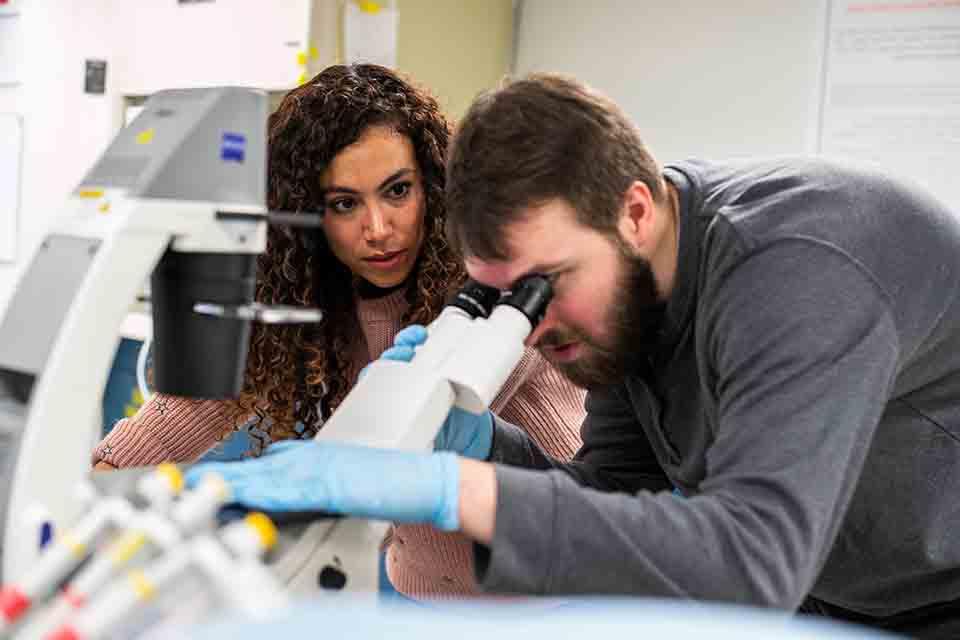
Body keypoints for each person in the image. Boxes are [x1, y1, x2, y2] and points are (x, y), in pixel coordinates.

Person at [188, 73, 960, 638]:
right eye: (499, 297)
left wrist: (454, 489)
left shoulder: (801, 268)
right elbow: (611, 495)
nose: (529, 326)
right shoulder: (631, 285)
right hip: (836, 594)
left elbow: (754, 558)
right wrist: (485, 448)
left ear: (632, 210)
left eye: (542, 285)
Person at [91, 65, 585, 600]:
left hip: (556, 579)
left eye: (397, 191)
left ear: (434, 186)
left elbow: (409, 427)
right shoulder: (312, 298)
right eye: (345, 204)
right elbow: (189, 409)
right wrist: (89, 485)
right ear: (309, 215)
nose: (377, 229)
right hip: (424, 596)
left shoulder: (494, 283)